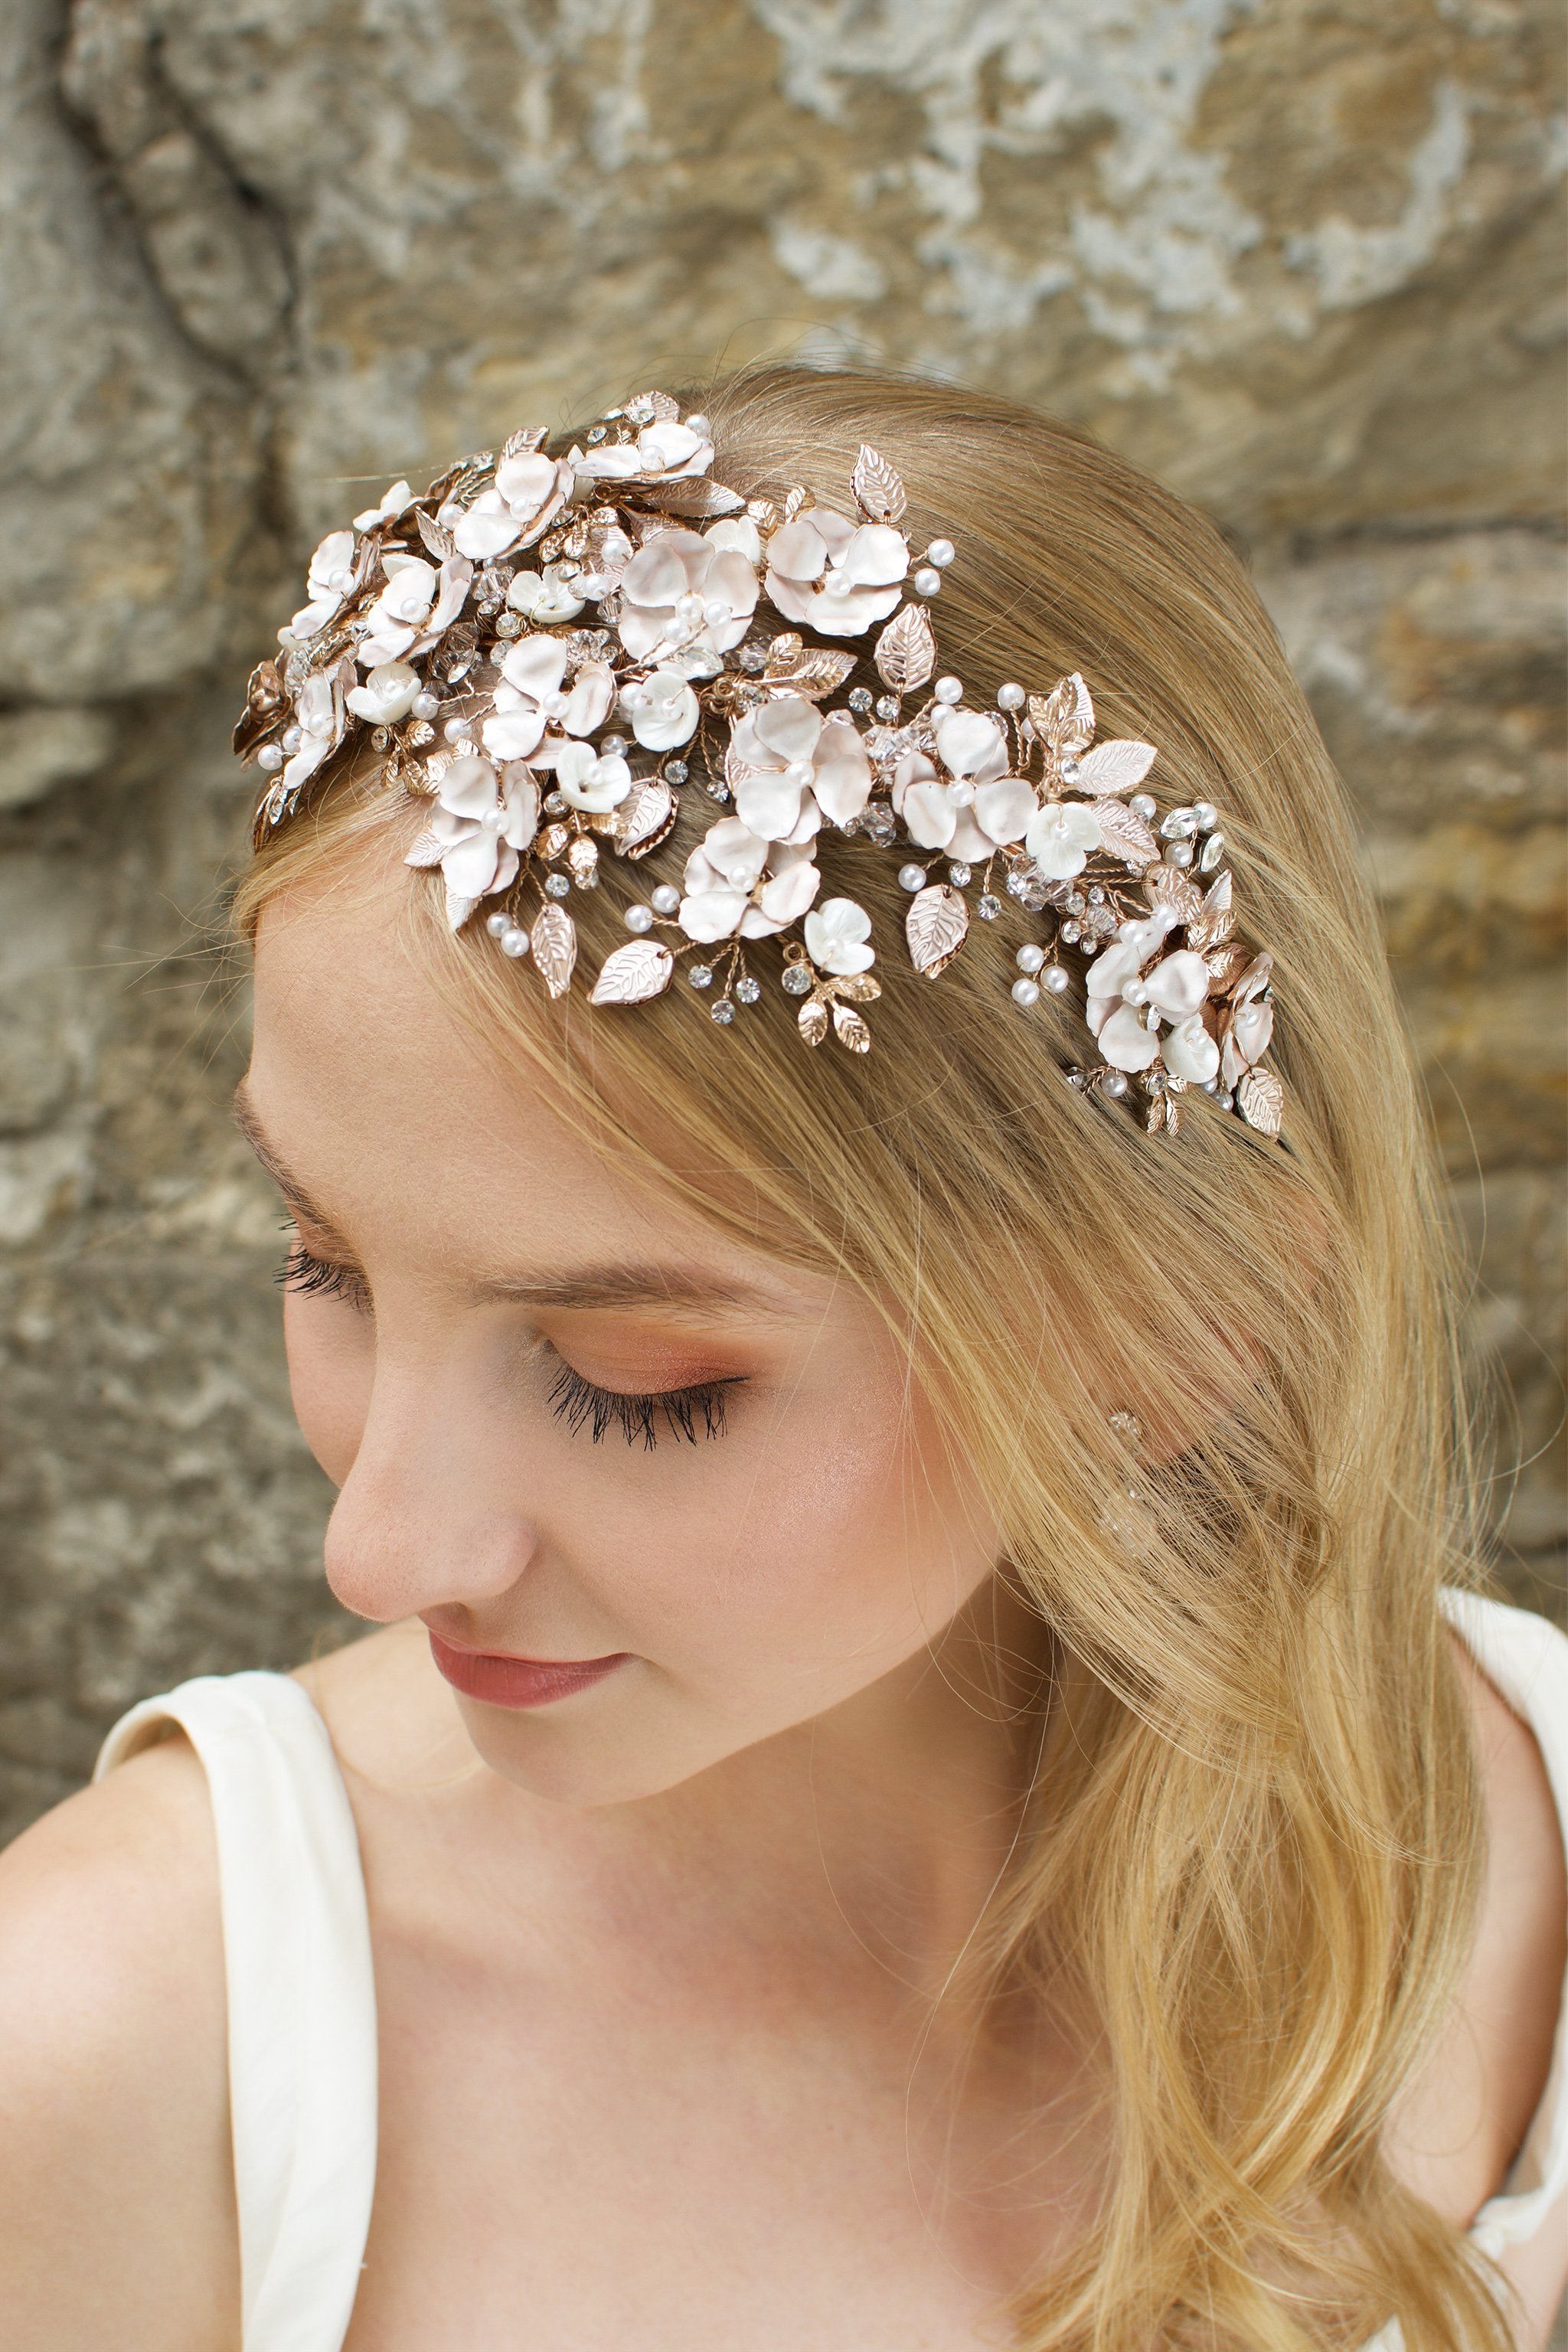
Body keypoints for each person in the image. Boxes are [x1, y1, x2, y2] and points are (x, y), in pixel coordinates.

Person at [0, 365, 1563, 2352]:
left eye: (633, 1378)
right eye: (324, 1259)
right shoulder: (120, 2058)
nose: (375, 1554)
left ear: (1177, 1331)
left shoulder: (1531, 1888)